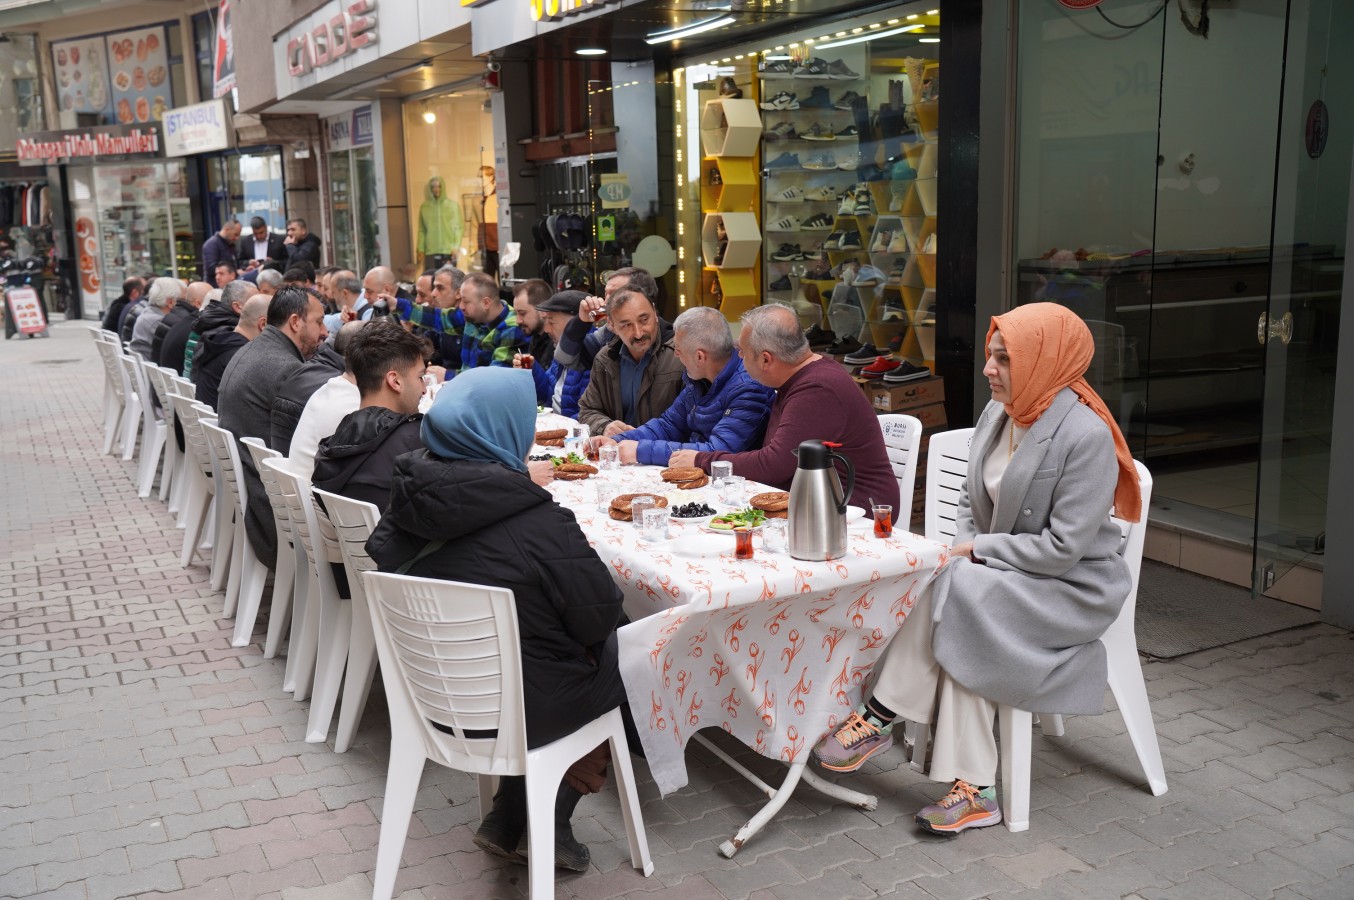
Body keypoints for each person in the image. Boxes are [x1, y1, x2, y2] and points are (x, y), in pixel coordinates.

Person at [811, 303, 1143, 836]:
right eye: (991, 356)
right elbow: (970, 501)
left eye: (1004, 358)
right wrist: (970, 546)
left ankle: (878, 713)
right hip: (1003, 579)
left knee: (958, 589)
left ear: (1045, 360)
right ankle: (976, 790)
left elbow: (1063, 549)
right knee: (955, 594)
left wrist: (977, 550)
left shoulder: (1086, 436)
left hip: (1070, 588)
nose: (989, 369)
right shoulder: (999, 412)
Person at [365, 367, 626, 871]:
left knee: (546, 643)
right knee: (629, 649)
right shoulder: (539, 520)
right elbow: (598, 617)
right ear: (502, 432)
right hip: (517, 707)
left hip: (433, 695)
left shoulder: (409, 496)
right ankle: (549, 819)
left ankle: (509, 814)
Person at [668, 303, 898, 514]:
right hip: (816, 499)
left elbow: (774, 465)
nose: (739, 357)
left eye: (744, 353)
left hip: (856, 511)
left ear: (766, 360)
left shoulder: (817, 389)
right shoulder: (801, 377)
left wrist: (702, 460)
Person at [217, 286, 329, 563]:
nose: (325, 331)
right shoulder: (285, 368)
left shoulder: (254, 348)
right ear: (294, 322)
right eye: (318, 321)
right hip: (272, 512)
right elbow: (307, 447)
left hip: (255, 493)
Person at [594, 306, 774, 465]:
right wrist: (617, 440)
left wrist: (640, 450)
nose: (676, 356)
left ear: (700, 357)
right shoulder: (698, 380)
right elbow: (668, 425)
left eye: (678, 351)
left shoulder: (748, 389)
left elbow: (718, 452)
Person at [313, 322, 428, 511]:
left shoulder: (336, 439)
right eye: (420, 377)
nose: (424, 389)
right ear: (395, 381)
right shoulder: (414, 443)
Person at [576, 286, 684, 438]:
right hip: (619, 456)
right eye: (626, 325)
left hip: (667, 457)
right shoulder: (605, 359)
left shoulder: (682, 356)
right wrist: (605, 427)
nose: (638, 333)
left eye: (644, 319)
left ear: (654, 312)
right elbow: (588, 409)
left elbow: (693, 422)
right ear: (612, 326)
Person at [274, 320, 363, 462]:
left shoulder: (306, 373)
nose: (325, 332)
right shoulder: (340, 390)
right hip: (309, 480)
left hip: (291, 475)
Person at [554, 267, 659, 374]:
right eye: (606, 294)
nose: (607, 301)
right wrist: (581, 322)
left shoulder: (671, 345)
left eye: (615, 294)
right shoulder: (607, 334)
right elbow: (565, 358)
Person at [195, 291, 268, 411]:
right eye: (278, 324)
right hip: (225, 425)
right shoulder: (243, 356)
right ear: (263, 324)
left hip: (213, 425)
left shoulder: (221, 342)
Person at [451, 272, 526, 373]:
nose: (461, 307)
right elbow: (441, 318)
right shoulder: (474, 317)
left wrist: (448, 375)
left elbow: (493, 377)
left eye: (466, 301)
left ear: (486, 303)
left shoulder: (512, 328)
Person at [185, 281, 256, 382]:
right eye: (253, 301)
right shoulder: (231, 332)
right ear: (238, 307)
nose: (259, 304)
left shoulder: (212, 322)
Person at [155, 281, 212, 372]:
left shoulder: (181, 318)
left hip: (171, 380)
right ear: (199, 304)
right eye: (212, 302)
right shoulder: (195, 326)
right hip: (179, 381)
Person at [130, 278, 182, 361]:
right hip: (151, 370)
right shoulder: (158, 322)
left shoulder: (148, 312)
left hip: (145, 367)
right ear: (170, 302)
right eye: (180, 300)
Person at [416, 175, 461, 270]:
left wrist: (456, 246)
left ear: (443, 187)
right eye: (433, 187)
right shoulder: (425, 207)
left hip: (448, 251)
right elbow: (422, 231)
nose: (436, 189)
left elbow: (459, 228)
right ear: (430, 189)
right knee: (432, 279)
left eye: (439, 186)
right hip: (430, 251)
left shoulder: (452, 206)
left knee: (448, 279)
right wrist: (420, 249)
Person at [203, 219, 241, 286]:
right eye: (235, 234)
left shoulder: (230, 245)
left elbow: (234, 263)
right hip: (216, 288)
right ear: (227, 229)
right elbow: (211, 268)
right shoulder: (211, 244)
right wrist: (235, 272)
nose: (237, 238)